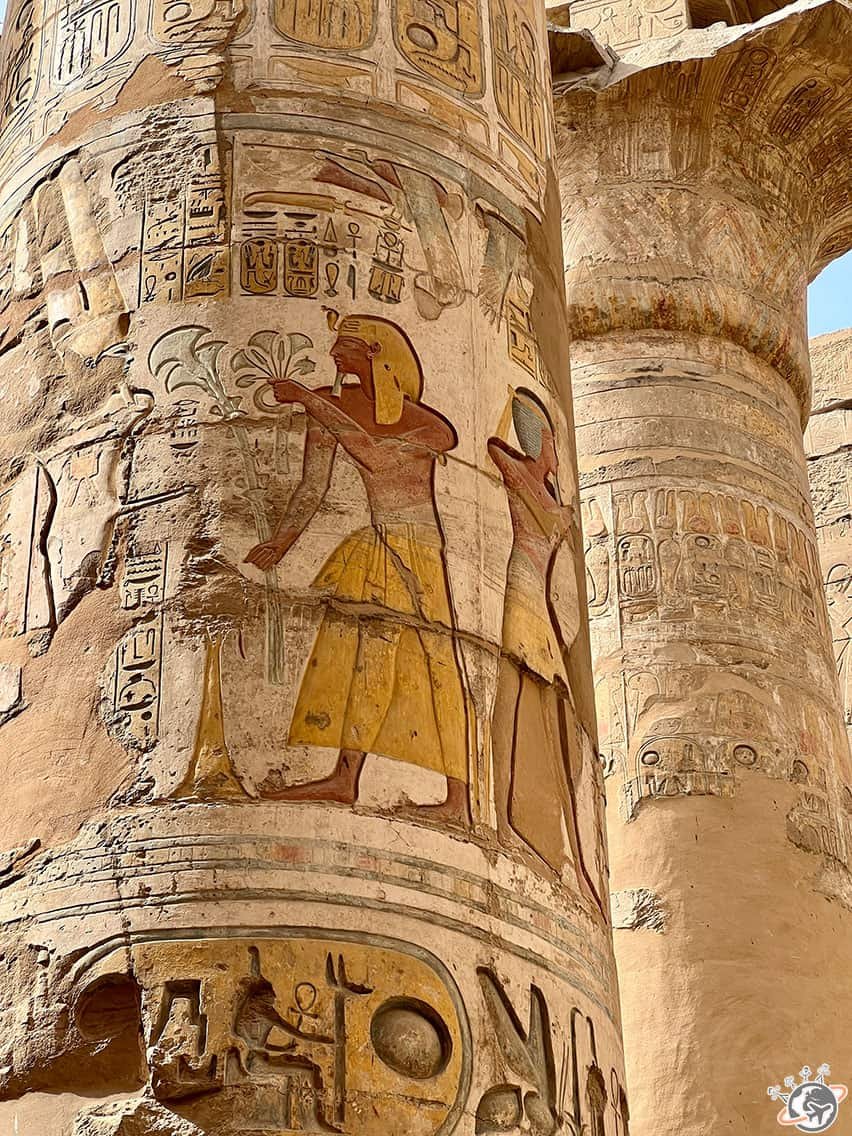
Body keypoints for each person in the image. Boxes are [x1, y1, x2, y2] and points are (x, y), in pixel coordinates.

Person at [245, 314, 469, 823]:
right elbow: (312, 486)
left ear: (375, 353)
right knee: (366, 658)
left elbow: (374, 454)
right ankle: (345, 779)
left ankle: (459, 800)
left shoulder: (426, 423)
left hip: (419, 546)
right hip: (377, 540)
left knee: (437, 664)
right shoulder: (333, 405)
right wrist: (280, 542)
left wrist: (310, 400)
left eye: (345, 347)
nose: (334, 355)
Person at [488, 389, 600, 901]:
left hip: (546, 605)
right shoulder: (518, 472)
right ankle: (499, 817)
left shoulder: (555, 498)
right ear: (542, 441)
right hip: (521, 590)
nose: (558, 452)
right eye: (553, 441)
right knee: (510, 695)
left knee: (560, 725)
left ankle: (579, 857)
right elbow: (494, 447)